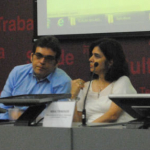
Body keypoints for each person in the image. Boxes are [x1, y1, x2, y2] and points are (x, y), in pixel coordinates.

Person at [0, 36, 71, 120]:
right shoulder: (17, 73)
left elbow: (59, 117)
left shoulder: (63, 81)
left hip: (43, 129)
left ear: (57, 62)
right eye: (38, 56)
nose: (42, 62)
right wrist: (10, 117)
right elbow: (3, 107)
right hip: (12, 126)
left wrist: (24, 117)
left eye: (48, 59)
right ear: (31, 56)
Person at [72, 38, 137, 123]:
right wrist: (72, 97)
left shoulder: (122, 81)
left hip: (117, 133)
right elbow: (77, 122)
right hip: (90, 134)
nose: (90, 59)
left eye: (97, 56)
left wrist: (87, 129)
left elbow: (113, 115)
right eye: (91, 55)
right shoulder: (86, 86)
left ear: (110, 62)